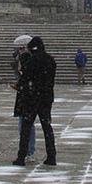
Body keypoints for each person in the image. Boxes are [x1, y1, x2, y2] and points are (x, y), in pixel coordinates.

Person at [11, 36, 56, 168]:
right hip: (46, 98)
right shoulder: (50, 60)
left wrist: (20, 85)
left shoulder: (32, 60)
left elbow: (25, 77)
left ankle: (21, 156)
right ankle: (51, 156)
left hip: (32, 98)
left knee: (26, 128)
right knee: (47, 127)